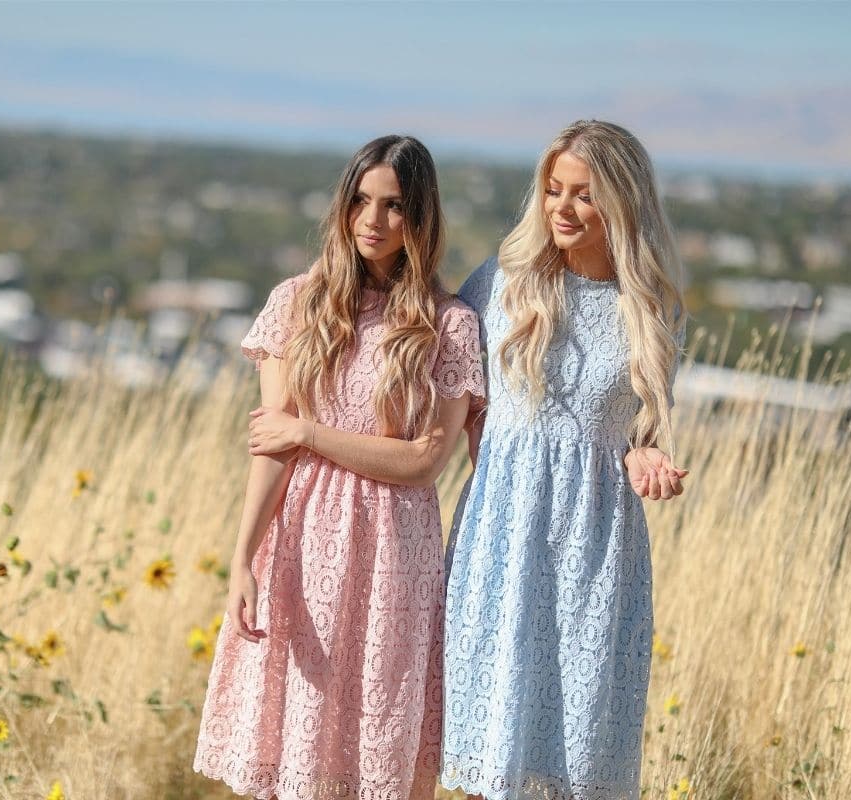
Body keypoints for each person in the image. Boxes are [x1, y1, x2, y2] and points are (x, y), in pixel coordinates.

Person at [193, 135, 485, 800]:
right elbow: (273, 448)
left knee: (380, 744)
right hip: (301, 546)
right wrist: (243, 557)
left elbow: (422, 462)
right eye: (360, 200)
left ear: (422, 218)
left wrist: (308, 432)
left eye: (394, 207)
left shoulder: (450, 324)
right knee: (301, 737)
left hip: (394, 557)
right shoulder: (298, 302)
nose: (372, 221)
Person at [441, 119, 688, 800]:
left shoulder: (651, 306)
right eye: (554, 190)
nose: (563, 207)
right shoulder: (501, 282)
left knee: (575, 753)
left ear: (622, 202)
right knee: (494, 742)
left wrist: (646, 459)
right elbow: (449, 387)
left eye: (584, 194)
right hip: (502, 535)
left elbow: (640, 432)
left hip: (596, 547)